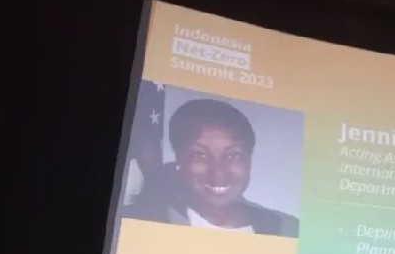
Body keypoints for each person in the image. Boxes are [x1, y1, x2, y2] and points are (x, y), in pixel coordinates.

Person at [123, 98, 299, 237]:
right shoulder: (137, 222)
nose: (218, 173)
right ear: (179, 159)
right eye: (200, 155)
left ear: (249, 159)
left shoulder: (289, 229)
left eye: (233, 156)